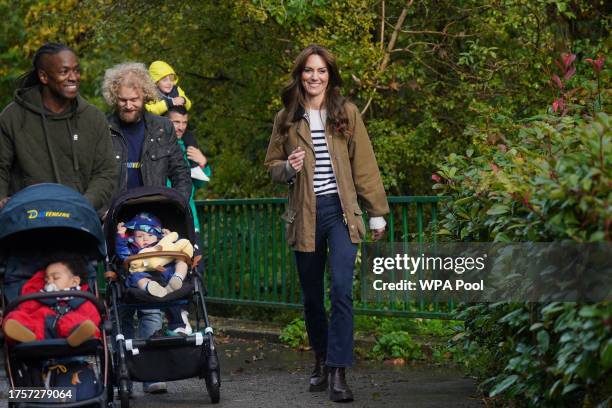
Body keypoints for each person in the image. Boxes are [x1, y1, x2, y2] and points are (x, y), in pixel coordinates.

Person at [264, 44, 389, 402]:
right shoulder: (285, 117)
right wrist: (289, 167)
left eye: (321, 71)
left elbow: (363, 163)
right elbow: (271, 165)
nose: (314, 77)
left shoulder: (346, 113)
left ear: (330, 75)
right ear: (299, 75)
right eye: (308, 70)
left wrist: (375, 210)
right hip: (304, 214)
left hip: (341, 212)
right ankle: (319, 359)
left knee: (341, 289)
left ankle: (338, 371)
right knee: (312, 297)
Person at [102, 62, 191, 394]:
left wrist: (177, 205)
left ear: (145, 96)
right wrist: (102, 213)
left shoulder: (161, 128)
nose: (128, 105)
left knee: (154, 289)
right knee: (124, 293)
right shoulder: (103, 128)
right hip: (118, 223)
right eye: (123, 99)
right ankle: (124, 362)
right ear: (115, 97)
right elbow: (94, 174)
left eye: (134, 99)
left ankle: (152, 368)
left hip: (156, 225)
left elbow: (180, 171)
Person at [0, 42, 116, 213]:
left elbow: (106, 172)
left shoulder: (93, 117)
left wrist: (83, 204)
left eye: (76, 70)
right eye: (64, 71)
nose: (73, 77)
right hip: (27, 221)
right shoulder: (13, 117)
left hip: (79, 220)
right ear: (43, 77)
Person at [3, 255, 100, 347]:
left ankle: (79, 332)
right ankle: (23, 335)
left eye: (56, 278)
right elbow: (25, 308)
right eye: (46, 279)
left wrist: (91, 328)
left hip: (69, 334)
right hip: (38, 333)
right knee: (16, 316)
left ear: (74, 281)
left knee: (78, 321)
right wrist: (38, 279)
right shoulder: (39, 296)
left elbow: (93, 316)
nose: (49, 281)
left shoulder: (81, 299)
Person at [115, 212, 191, 299]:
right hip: (144, 273)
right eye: (140, 236)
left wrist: (170, 237)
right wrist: (121, 236)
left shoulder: (162, 244)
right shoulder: (134, 248)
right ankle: (149, 287)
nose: (145, 238)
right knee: (136, 277)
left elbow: (179, 246)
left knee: (181, 263)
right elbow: (123, 253)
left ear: (158, 237)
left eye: (150, 235)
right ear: (133, 238)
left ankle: (177, 278)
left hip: (166, 271)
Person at [166, 106, 211, 236]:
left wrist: (203, 163)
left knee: (194, 257)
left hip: (189, 218)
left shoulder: (188, 146)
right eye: (176, 122)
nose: (181, 127)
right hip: (163, 218)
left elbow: (199, 184)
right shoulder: (155, 146)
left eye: (184, 122)